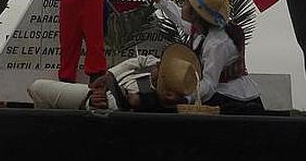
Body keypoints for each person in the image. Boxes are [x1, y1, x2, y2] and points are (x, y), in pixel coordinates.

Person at [143, 0, 264, 114]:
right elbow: (178, 18)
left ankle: (137, 101)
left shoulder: (217, 43)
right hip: (217, 93)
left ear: (196, 13)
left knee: (169, 107)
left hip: (234, 99)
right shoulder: (200, 29)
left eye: (187, 2)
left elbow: (209, 84)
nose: (183, 4)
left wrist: (185, 99)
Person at [28, 43, 198, 112]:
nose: (159, 64)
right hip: (101, 88)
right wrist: (110, 74)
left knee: (38, 88)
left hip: (95, 101)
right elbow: (140, 60)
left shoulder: (144, 97)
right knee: (36, 88)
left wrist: (91, 101)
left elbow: (110, 104)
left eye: (162, 67)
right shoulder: (154, 68)